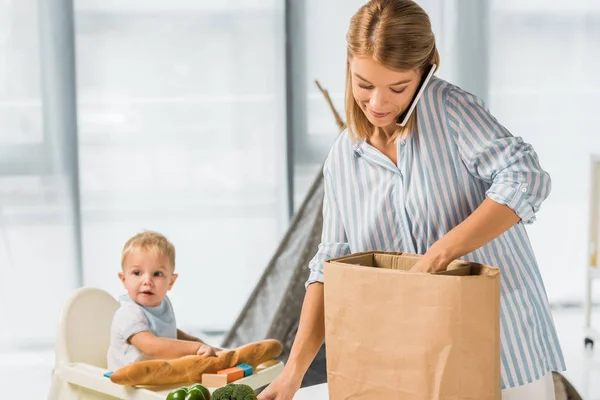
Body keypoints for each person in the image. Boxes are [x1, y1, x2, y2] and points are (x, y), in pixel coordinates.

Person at [258, 0, 565, 399]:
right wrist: (291, 375)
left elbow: (525, 176)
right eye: (364, 85)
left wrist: (442, 253)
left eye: (397, 88)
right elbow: (327, 269)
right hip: (413, 356)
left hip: (502, 345)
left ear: (424, 71)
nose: (378, 104)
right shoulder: (342, 160)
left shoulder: (451, 110)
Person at [107, 231, 220, 370]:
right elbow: (151, 346)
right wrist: (195, 348)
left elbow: (167, 331)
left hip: (157, 374)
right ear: (123, 279)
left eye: (157, 274)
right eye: (137, 273)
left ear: (170, 282)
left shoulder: (163, 303)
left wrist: (197, 342)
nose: (147, 281)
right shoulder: (128, 312)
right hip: (127, 383)